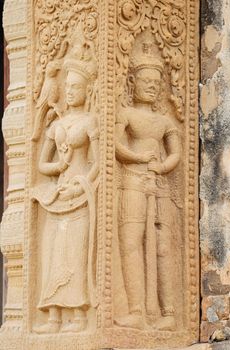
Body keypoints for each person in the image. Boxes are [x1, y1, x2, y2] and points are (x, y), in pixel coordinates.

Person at [33, 40, 99, 334]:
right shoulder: (56, 124)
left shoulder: (90, 122)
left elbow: (99, 163)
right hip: (57, 194)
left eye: (75, 87)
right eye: (67, 86)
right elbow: (40, 166)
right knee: (53, 252)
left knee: (75, 252)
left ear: (86, 91)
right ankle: (54, 315)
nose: (70, 91)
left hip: (79, 195)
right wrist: (58, 169)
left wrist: (83, 183)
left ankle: (79, 315)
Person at [115, 42, 181, 331]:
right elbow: (116, 145)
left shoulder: (164, 120)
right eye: (146, 81)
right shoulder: (127, 114)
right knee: (131, 242)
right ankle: (137, 310)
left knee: (162, 247)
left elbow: (175, 154)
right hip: (131, 181)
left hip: (160, 186)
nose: (152, 87)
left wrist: (163, 166)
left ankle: (168, 313)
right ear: (133, 82)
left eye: (156, 83)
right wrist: (140, 157)